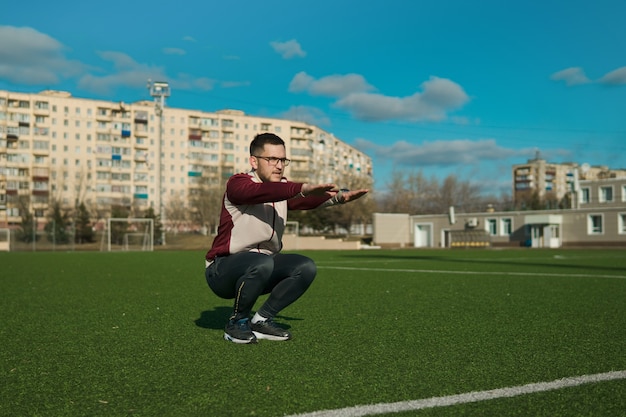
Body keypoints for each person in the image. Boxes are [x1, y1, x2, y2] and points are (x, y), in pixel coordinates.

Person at [204, 133, 369, 344]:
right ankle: (237, 323)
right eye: (271, 159)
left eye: (282, 160)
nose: (279, 165)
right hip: (222, 271)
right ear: (253, 161)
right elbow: (260, 192)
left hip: (260, 269)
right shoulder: (238, 184)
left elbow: (304, 201)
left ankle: (261, 321)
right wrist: (301, 188)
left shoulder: (280, 190)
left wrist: (339, 198)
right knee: (261, 261)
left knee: (305, 266)